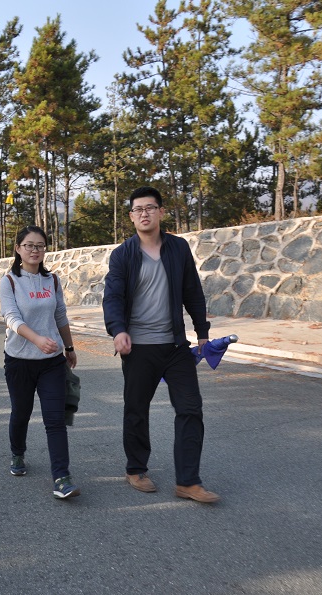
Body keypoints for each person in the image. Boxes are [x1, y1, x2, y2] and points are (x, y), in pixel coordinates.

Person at [102, 186, 220, 504]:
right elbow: (113, 297)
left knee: (190, 409)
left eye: (150, 207)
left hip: (175, 346)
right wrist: (118, 330)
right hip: (139, 347)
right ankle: (136, 468)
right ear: (131, 216)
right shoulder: (123, 254)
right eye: (138, 209)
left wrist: (202, 331)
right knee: (137, 410)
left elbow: (192, 291)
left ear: (161, 212)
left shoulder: (178, 248)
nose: (144, 213)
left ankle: (188, 482)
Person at [0, 225, 80, 499]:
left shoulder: (52, 280)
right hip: (19, 361)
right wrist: (36, 339)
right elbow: (11, 318)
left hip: (51, 361)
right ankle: (17, 453)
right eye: (29, 245)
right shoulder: (9, 281)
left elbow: (60, 315)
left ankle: (61, 477)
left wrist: (69, 347)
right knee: (21, 412)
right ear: (18, 249)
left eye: (40, 246)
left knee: (55, 420)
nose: (35, 250)